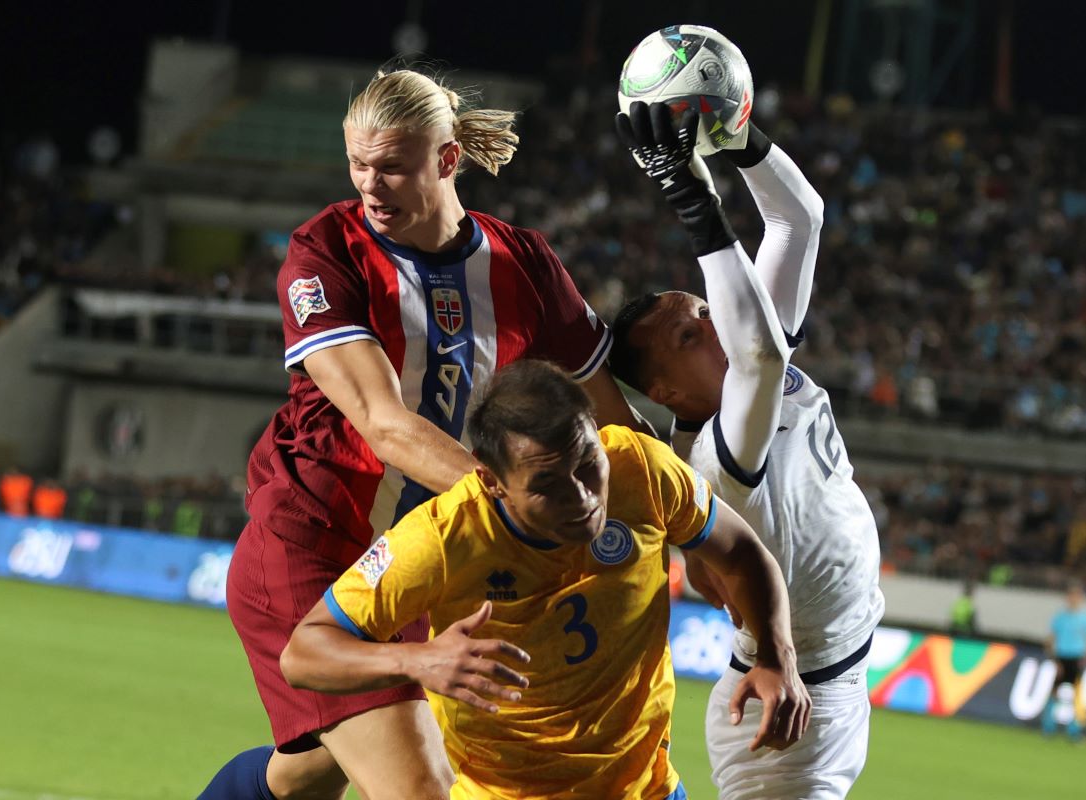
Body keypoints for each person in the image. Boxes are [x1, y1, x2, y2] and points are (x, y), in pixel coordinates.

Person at [201, 69, 644, 800]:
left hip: (421, 568)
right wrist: (519, 513)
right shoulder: (325, 252)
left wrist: (672, 520)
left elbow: (612, 426)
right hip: (312, 548)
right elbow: (385, 425)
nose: (370, 186)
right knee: (422, 790)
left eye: (393, 167)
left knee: (311, 771)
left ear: (446, 160)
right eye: (358, 165)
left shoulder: (524, 264)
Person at [280, 359, 810, 800]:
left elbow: (742, 552)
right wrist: (415, 660)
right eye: (547, 484)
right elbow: (303, 653)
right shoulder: (441, 539)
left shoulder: (640, 469)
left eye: (587, 464)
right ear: (491, 481)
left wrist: (775, 653)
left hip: (646, 790)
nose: (582, 497)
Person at [610, 101, 884, 799]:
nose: (711, 324)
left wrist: (738, 137)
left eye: (704, 311)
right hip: (785, 708)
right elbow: (760, 352)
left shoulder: (749, 363)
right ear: (667, 392)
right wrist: (686, 189)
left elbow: (801, 219)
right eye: (688, 335)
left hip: (832, 680)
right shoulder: (712, 458)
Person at [1041, 581, 1086, 740]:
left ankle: (1074, 730)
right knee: (1054, 693)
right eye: (1071, 595)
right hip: (1062, 658)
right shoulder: (1060, 617)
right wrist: (1054, 660)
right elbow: (1050, 639)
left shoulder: (1085, 619)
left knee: (1077, 697)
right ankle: (1048, 727)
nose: (1073, 599)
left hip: (1077, 659)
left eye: (1076, 596)